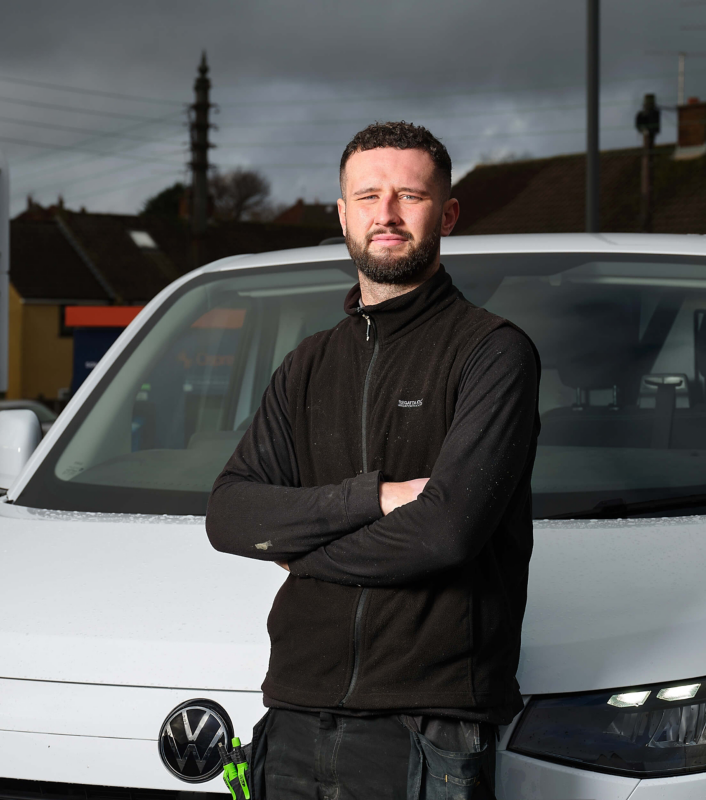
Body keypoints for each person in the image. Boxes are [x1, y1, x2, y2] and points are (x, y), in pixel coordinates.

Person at [206, 121, 540, 799]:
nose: (385, 214)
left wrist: (303, 556)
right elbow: (230, 513)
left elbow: (446, 533)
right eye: (367, 197)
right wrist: (374, 498)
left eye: (407, 196)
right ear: (343, 214)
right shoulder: (308, 364)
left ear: (445, 213)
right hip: (295, 713)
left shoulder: (492, 352)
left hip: (428, 726)